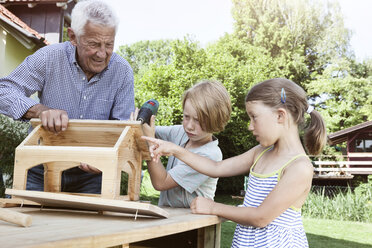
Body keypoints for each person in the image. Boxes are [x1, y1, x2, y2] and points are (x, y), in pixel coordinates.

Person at [143, 78, 327, 247]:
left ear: (280, 116)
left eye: (254, 117)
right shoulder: (260, 152)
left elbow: (261, 217)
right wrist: (175, 149)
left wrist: (214, 207)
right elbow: (215, 168)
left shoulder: (299, 167)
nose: (250, 126)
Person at [0, 0, 135, 194]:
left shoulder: (122, 72)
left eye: (109, 44)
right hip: (42, 167)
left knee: (93, 225)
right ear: (73, 36)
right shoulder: (48, 57)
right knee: (29, 220)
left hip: (93, 175)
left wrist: (110, 157)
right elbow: (4, 89)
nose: (102, 54)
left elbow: (125, 130)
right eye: (94, 44)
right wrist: (39, 110)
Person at [137, 80, 231, 208]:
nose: (189, 126)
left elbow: (161, 183)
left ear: (216, 121)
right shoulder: (180, 132)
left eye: (198, 120)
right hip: (171, 217)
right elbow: (149, 131)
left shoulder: (209, 155)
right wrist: (137, 123)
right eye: (186, 117)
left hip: (195, 222)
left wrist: (149, 141)